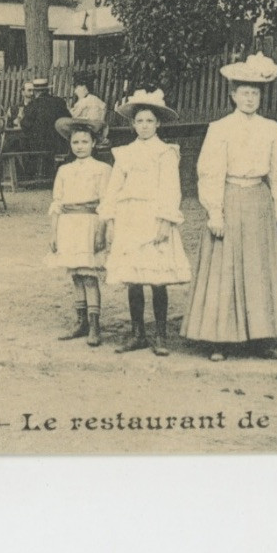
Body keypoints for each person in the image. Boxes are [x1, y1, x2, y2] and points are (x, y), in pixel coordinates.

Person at [184, 53, 277, 360]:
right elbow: (210, 171)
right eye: (244, 92)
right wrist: (215, 212)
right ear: (233, 95)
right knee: (225, 269)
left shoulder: (271, 129)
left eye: (255, 93)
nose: (250, 98)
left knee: (259, 269)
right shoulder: (220, 128)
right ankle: (220, 340)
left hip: (259, 201)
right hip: (229, 197)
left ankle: (261, 338)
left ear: (261, 96)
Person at [101, 89, 191, 355]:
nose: (144, 126)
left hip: (154, 217)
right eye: (139, 121)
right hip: (130, 217)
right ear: (132, 124)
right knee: (133, 277)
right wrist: (111, 219)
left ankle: (161, 335)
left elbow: (171, 189)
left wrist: (165, 221)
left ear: (158, 124)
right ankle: (138, 333)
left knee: (157, 277)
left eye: (149, 121)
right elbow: (114, 188)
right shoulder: (125, 153)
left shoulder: (165, 153)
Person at [49, 117, 112, 347]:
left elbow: (106, 204)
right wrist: (54, 233)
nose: (80, 146)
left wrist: (101, 232)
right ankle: (81, 321)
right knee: (76, 274)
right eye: (75, 142)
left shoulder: (103, 170)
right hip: (69, 225)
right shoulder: (64, 170)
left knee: (89, 275)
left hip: (89, 224)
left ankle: (95, 324)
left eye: (85, 142)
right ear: (70, 144)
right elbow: (57, 202)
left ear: (94, 143)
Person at [19, 77, 72, 183]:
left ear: (35, 91)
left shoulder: (32, 105)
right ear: (48, 89)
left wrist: (21, 118)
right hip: (60, 144)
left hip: (38, 145)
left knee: (20, 143)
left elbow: (25, 125)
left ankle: (28, 178)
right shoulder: (59, 102)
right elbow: (68, 120)